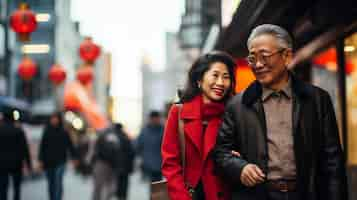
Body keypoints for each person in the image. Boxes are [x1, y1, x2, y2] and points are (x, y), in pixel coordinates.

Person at [213, 24, 348, 200]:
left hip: (307, 194)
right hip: (258, 195)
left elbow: (333, 161)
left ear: (286, 56)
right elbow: (221, 152)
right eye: (252, 58)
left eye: (264, 56)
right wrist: (240, 168)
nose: (258, 64)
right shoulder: (238, 105)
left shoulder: (317, 100)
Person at [161, 51, 236, 200]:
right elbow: (170, 164)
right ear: (199, 79)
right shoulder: (178, 112)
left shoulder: (233, 114)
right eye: (215, 75)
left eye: (226, 77)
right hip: (187, 195)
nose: (220, 82)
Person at [38, 112, 78, 200]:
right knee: (51, 183)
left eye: (56, 118)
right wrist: (40, 160)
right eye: (52, 118)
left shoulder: (64, 132)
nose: (54, 120)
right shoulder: (47, 131)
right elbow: (42, 147)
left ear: (59, 119)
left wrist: (74, 157)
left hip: (61, 161)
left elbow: (70, 145)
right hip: (48, 162)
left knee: (58, 182)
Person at [0, 109, 32, 200]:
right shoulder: (19, 131)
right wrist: (29, 164)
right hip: (16, 163)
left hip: (2, 164)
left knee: (3, 188)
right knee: (17, 187)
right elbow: (24, 148)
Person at [136, 110, 165, 183]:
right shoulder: (144, 131)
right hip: (148, 164)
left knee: (157, 185)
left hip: (159, 164)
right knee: (153, 185)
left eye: (157, 118)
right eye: (153, 119)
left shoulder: (164, 130)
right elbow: (138, 145)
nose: (155, 120)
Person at [113, 123, 135, 200]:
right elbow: (132, 153)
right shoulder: (125, 137)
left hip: (116, 166)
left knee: (117, 183)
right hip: (125, 167)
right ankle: (123, 196)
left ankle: (119, 196)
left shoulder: (113, 137)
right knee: (124, 183)